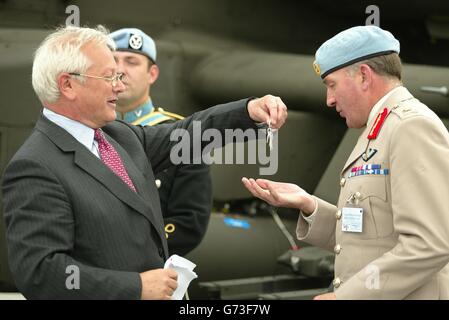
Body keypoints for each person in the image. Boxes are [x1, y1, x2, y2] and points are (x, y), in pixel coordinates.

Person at [1, 25, 287, 299]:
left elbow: (184, 134)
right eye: (109, 77)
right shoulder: (35, 167)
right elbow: (42, 273)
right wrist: (135, 287)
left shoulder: (117, 136)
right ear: (68, 85)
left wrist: (247, 111)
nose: (118, 87)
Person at [242, 25, 449, 299]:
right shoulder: (379, 129)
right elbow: (370, 239)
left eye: (332, 84)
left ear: (364, 76)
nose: (329, 100)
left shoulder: (410, 127)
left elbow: (431, 243)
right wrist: (310, 205)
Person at [109, 28, 212, 256]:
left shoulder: (181, 135)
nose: (120, 70)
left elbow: (189, 224)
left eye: (132, 62)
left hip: (156, 272)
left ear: (152, 74)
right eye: (113, 60)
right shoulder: (89, 129)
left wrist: (124, 246)